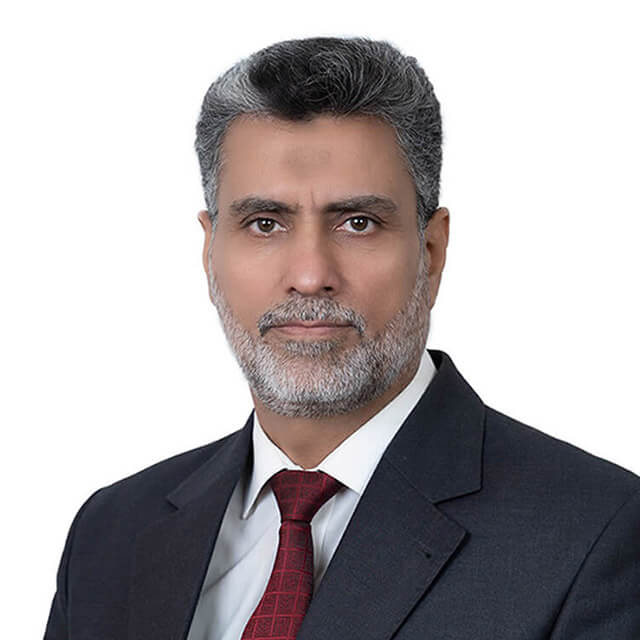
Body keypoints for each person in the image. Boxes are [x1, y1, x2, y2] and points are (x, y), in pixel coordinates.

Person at [44, 36, 640, 640]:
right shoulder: (109, 533)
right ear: (209, 251)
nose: (309, 276)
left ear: (431, 252)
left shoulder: (599, 535)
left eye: (358, 223)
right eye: (264, 224)